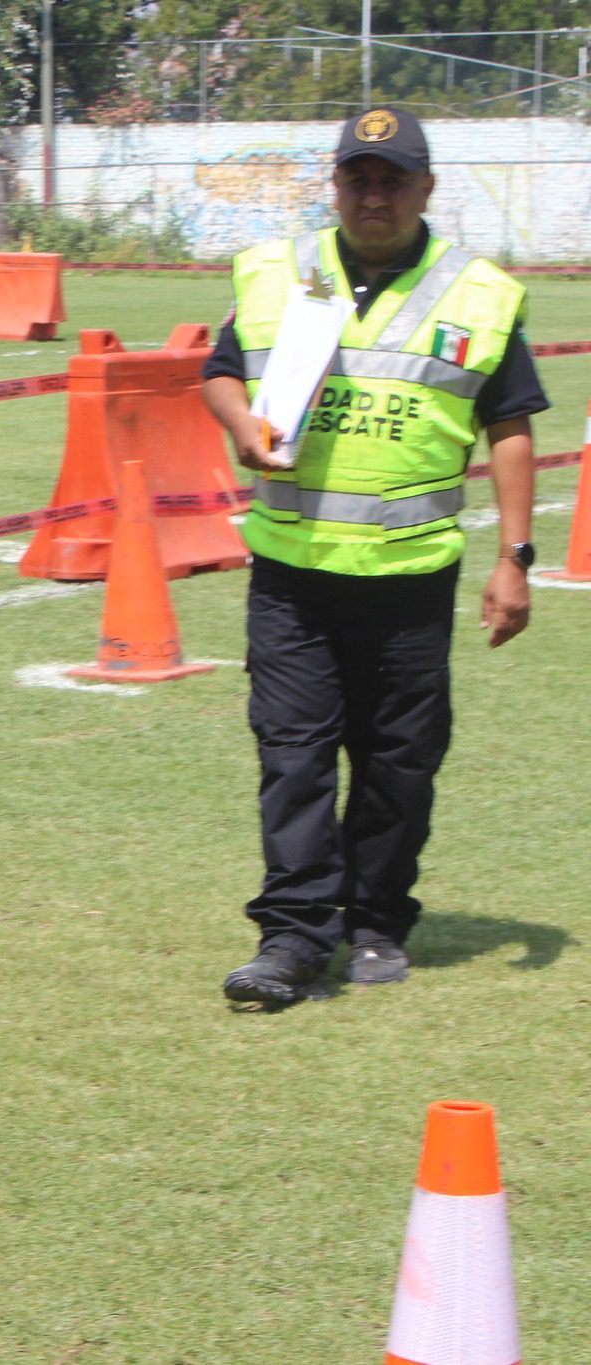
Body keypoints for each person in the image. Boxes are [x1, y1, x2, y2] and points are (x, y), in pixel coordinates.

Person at [202, 107, 548, 1006]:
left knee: (399, 763)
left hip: (410, 579)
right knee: (295, 756)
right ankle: (291, 936)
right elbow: (221, 368)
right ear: (337, 185)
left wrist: (515, 557)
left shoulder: (480, 294)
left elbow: (509, 428)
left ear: (427, 189)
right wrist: (242, 425)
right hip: (291, 572)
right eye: (359, 176)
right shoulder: (281, 271)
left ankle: (378, 917)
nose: (374, 194)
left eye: (393, 178)